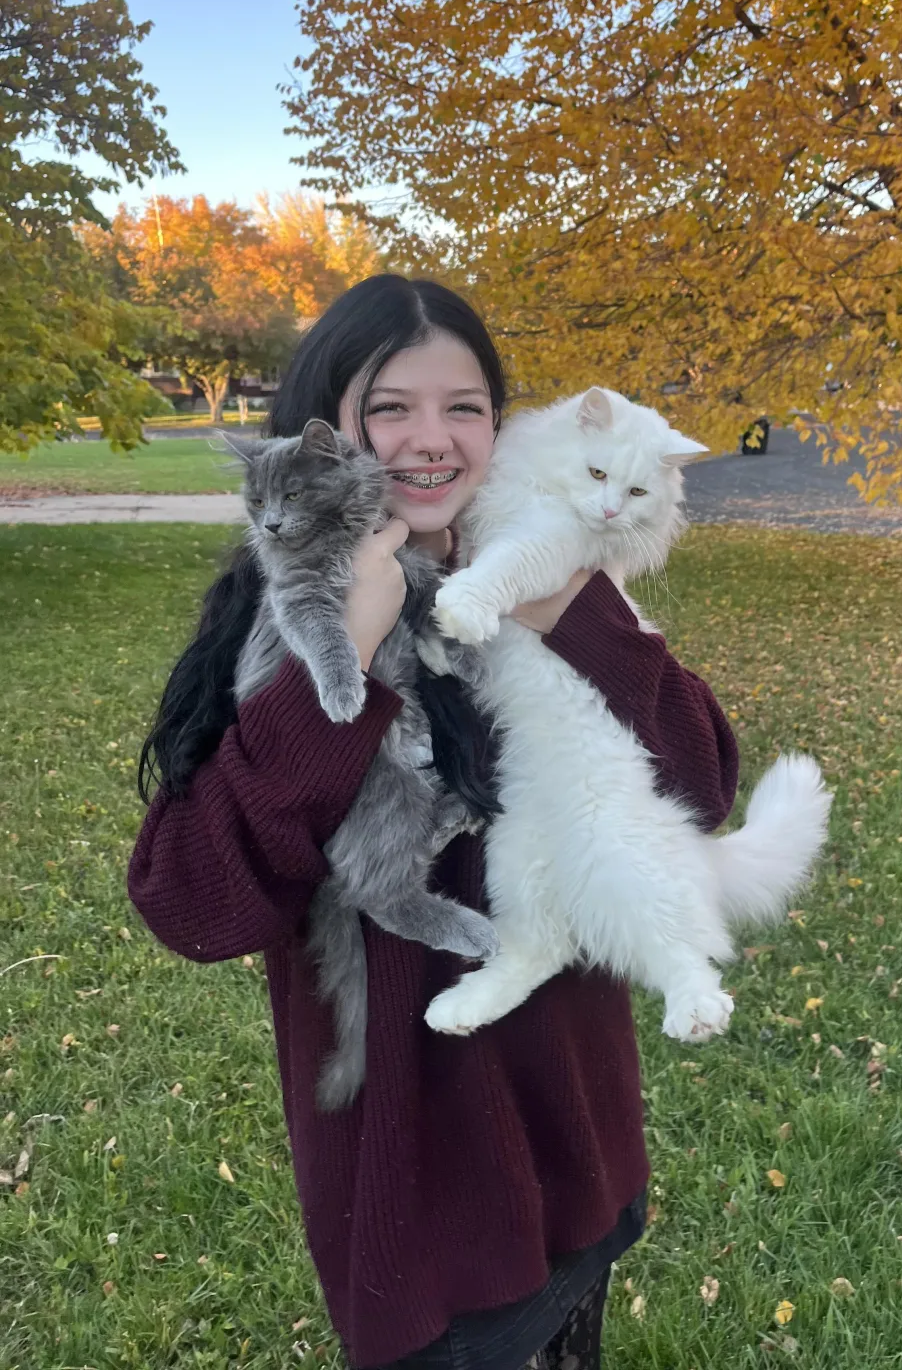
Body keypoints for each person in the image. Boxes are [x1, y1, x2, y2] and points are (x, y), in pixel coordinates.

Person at [129, 275, 739, 1370]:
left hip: (580, 1134)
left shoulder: (542, 576)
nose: (432, 439)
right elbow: (189, 901)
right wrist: (348, 658)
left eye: (465, 407)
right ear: (325, 427)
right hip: (427, 1202)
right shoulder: (280, 623)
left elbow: (703, 779)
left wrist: (570, 609)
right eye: (388, 407)